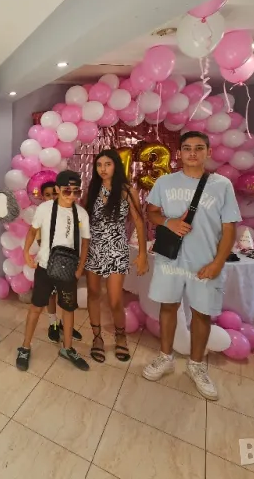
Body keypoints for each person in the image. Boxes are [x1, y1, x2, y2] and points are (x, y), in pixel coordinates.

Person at [142, 131, 240, 400]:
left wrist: (218, 263)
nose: (192, 153)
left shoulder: (221, 185)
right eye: (187, 148)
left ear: (208, 152)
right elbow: (151, 213)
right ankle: (165, 357)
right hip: (170, 259)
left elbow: (229, 228)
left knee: (201, 313)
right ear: (180, 153)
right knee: (168, 306)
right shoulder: (165, 182)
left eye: (199, 148)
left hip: (204, 262)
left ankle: (196, 365)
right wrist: (169, 222)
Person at [17, 170, 91, 372]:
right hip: (45, 267)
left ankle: (67, 348)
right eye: (67, 191)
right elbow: (32, 231)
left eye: (76, 191)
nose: (72, 196)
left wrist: (80, 269)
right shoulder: (45, 208)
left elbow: (85, 243)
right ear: (57, 189)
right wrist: (26, 252)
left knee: (68, 309)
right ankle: (25, 347)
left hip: (69, 270)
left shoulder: (81, 213)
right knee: (36, 307)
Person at [84, 149, 148, 363]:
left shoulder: (127, 190)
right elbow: (84, 220)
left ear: (116, 166)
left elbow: (139, 223)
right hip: (94, 249)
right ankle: (97, 338)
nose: (103, 169)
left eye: (108, 164)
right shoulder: (93, 189)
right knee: (93, 293)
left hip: (116, 250)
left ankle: (121, 336)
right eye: (99, 165)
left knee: (115, 299)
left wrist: (142, 254)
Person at [39, 181, 83, 344]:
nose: (51, 197)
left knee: (67, 295)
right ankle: (53, 324)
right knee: (51, 294)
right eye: (47, 195)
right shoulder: (43, 214)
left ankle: (66, 324)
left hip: (69, 262)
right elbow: (39, 239)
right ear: (42, 197)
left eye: (54, 194)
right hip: (50, 262)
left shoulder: (70, 212)